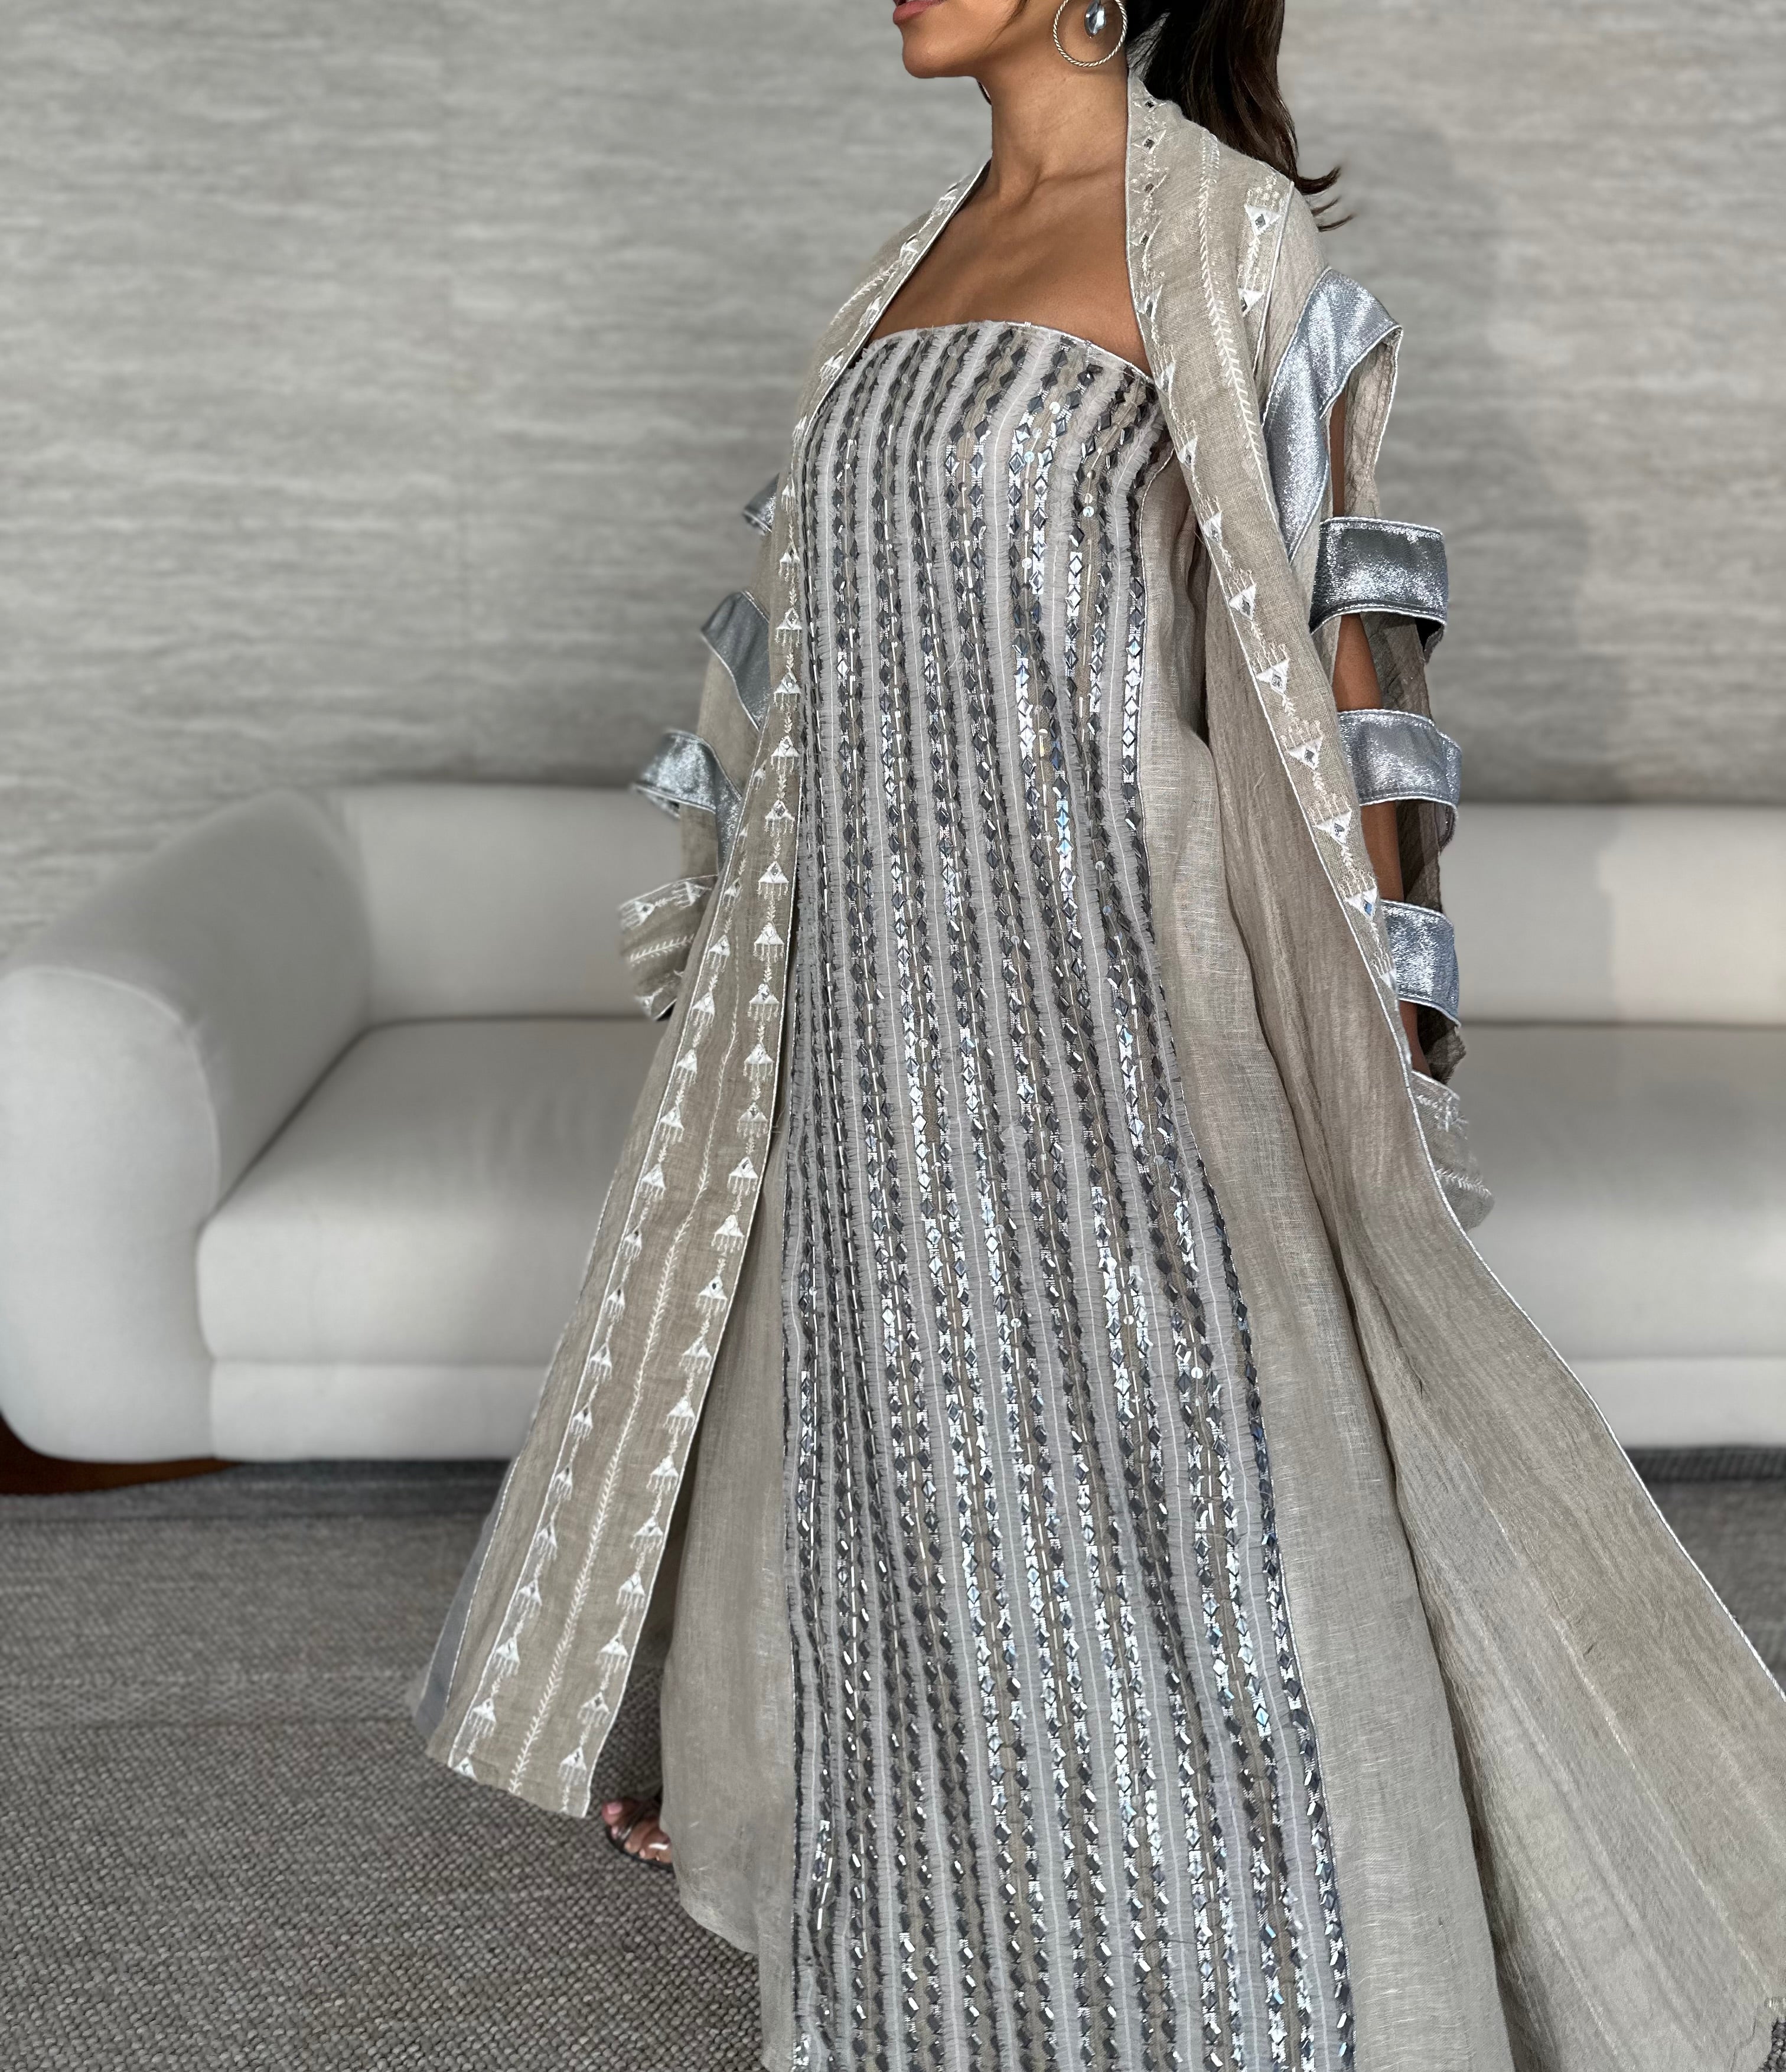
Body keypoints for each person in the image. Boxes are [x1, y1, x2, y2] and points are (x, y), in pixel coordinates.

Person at [412, 4, 1786, 2068]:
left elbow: (1344, 623)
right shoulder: (897, 275)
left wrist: (1395, 1010)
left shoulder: (1225, 237)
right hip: (881, 1031)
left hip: (1128, 1015)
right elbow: (816, 669)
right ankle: (914, 1932)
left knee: (1187, 1512)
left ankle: (1281, 1992)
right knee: (910, 1490)